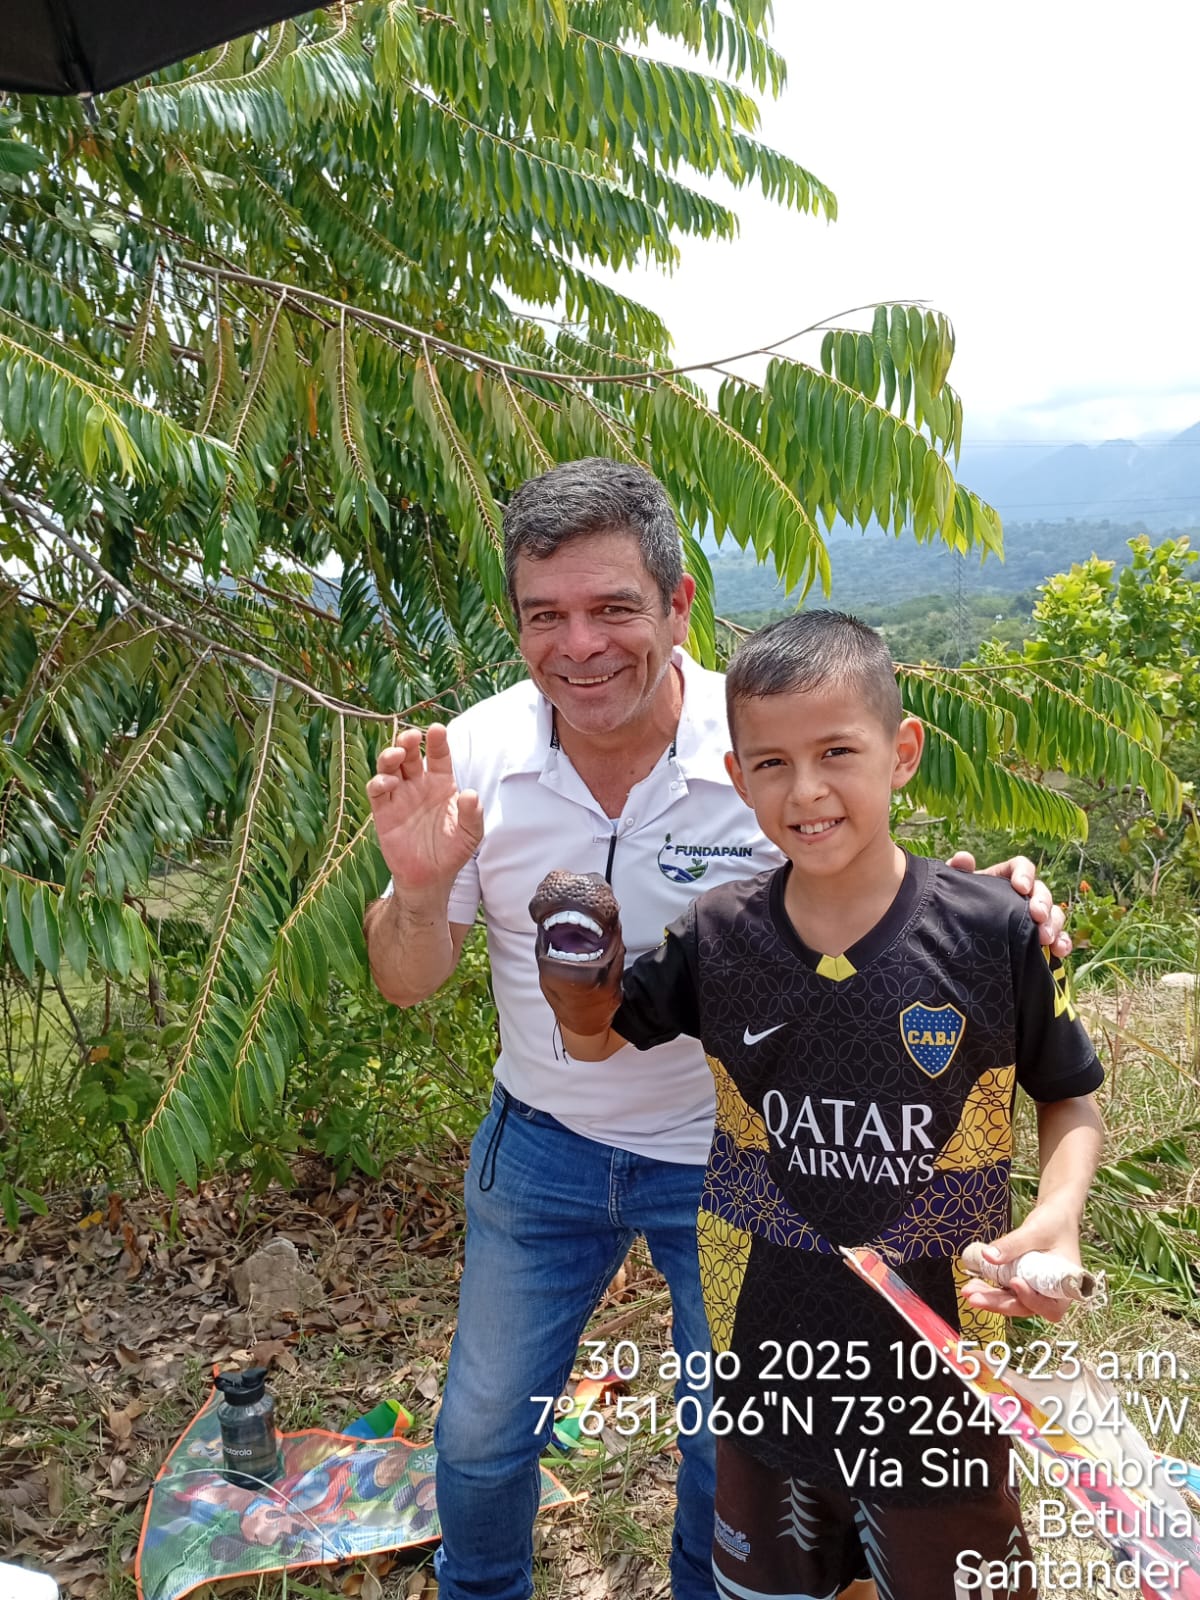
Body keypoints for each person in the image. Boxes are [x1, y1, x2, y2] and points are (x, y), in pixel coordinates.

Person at [363, 457, 1071, 1600]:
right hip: (542, 1142)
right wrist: (415, 886)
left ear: (680, 603)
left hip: (735, 1164)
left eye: (613, 608)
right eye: (545, 615)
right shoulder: (478, 760)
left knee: (727, 1442)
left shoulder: (759, 744)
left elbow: (879, 882)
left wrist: (998, 909)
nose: (579, 646)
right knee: (484, 1429)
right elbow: (408, 976)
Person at [532, 608, 1105, 1600]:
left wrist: (1058, 1217)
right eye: (772, 764)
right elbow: (595, 1036)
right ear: (737, 774)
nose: (805, 791)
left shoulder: (990, 931)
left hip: (940, 1386)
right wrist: (574, 973)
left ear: (902, 751)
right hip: (764, 1376)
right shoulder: (718, 937)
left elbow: (1069, 1097)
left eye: (837, 752)